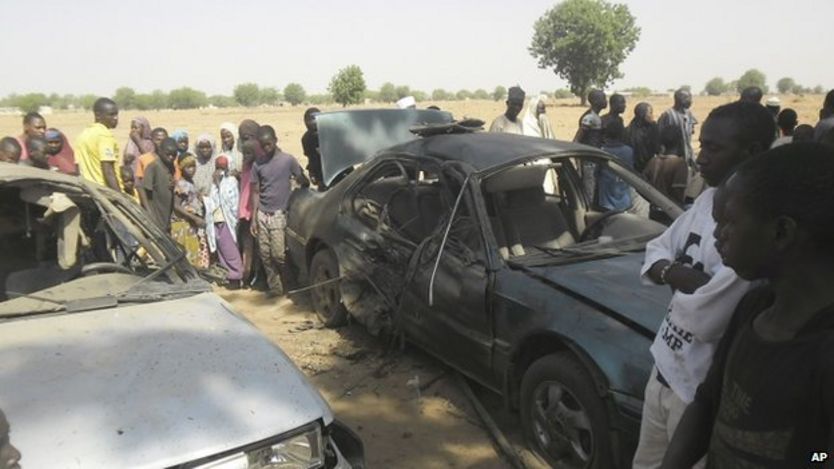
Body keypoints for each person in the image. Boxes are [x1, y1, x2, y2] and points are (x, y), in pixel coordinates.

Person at [661, 143, 834, 468]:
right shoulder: (753, 307)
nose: (717, 235)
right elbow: (708, 402)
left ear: (781, 232)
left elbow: (822, 454)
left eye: (730, 222)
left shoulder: (823, 350)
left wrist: (811, 457)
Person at [632, 101, 776, 469]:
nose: (700, 158)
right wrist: (677, 275)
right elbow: (655, 250)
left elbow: (704, 320)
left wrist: (668, 272)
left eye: (714, 149)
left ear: (752, 153)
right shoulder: (708, 200)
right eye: (702, 145)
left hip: (696, 390)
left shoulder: (754, 230)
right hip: (663, 367)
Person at [250, 125, 308, 296]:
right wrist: (254, 218)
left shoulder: (287, 160)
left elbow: (302, 179)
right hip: (262, 214)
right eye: (263, 145)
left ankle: (291, 283)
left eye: (269, 144)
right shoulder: (257, 165)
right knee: (265, 255)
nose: (266, 148)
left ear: (275, 141)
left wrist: (301, 183)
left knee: (279, 255)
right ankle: (276, 289)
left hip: (279, 214)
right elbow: (255, 192)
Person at [205, 155, 243, 288]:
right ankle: (227, 275)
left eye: (223, 168)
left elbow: (232, 202)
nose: (220, 171)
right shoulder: (214, 183)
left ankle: (236, 277)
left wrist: (220, 185)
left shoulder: (231, 181)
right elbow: (212, 200)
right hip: (215, 220)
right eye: (218, 168)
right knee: (221, 249)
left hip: (227, 220)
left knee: (230, 249)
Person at [75, 97, 121, 191]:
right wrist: (120, 197)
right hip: (104, 191)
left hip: (88, 190)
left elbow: (78, 167)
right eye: (111, 114)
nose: (116, 118)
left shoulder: (83, 134)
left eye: (116, 114)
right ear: (98, 115)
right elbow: (108, 170)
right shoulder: (104, 135)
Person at [172, 155, 209, 269]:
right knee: (186, 254)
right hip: (184, 224)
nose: (192, 169)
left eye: (193, 166)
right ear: (182, 168)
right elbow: (176, 206)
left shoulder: (191, 182)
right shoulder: (182, 184)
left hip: (191, 224)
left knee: (193, 253)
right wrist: (195, 218)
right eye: (188, 167)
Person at [237, 120, 262, 287]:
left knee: (261, 248)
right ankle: (246, 275)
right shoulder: (245, 165)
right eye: (243, 138)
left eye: (249, 138)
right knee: (248, 245)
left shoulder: (261, 165)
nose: (246, 142)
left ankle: (258, 277)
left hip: (259, 211)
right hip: (245, 212)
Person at [575, 89, 608, 202]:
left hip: (594, 160)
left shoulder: (595, 117)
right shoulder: (589, 118)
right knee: (589, 193)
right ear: (594, 101)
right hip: (589, 162)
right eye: (603, 98)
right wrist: (579, 165)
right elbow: (576, 141)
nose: (606, 101)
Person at [643, 125, 688, 205]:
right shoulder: (680, 164)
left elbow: (641, 186)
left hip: (654, 209)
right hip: (671, 211)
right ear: (680, 142)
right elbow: (678, 192)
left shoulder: (653, 161)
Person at [140, 138, 178, 233]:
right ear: (160, 151)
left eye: (174, 155)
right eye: (168, 154)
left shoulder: (171, 166)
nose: (171, 157)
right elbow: (143, 190)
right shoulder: (154, 166)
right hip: (156, 216)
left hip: (166, 215)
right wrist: (150, 214)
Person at [597, 118, 634, 211]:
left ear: (606, 135)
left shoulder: (602, 152)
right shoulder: (628, 151)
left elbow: (596, 173)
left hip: (606, 202)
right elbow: (631, 172)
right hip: (624, 201)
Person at [627, 102, 660, 172]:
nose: (652, 116)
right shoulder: (630, 130)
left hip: (651, 165)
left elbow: (657, 148)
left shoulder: (653, 127)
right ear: (642, 115)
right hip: (634, 167)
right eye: (650, 113)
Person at [301, 107, 324, 189]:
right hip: (321, 177)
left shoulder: (332, 134)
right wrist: (312, 172)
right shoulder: (306, 139)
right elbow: (310, 158)